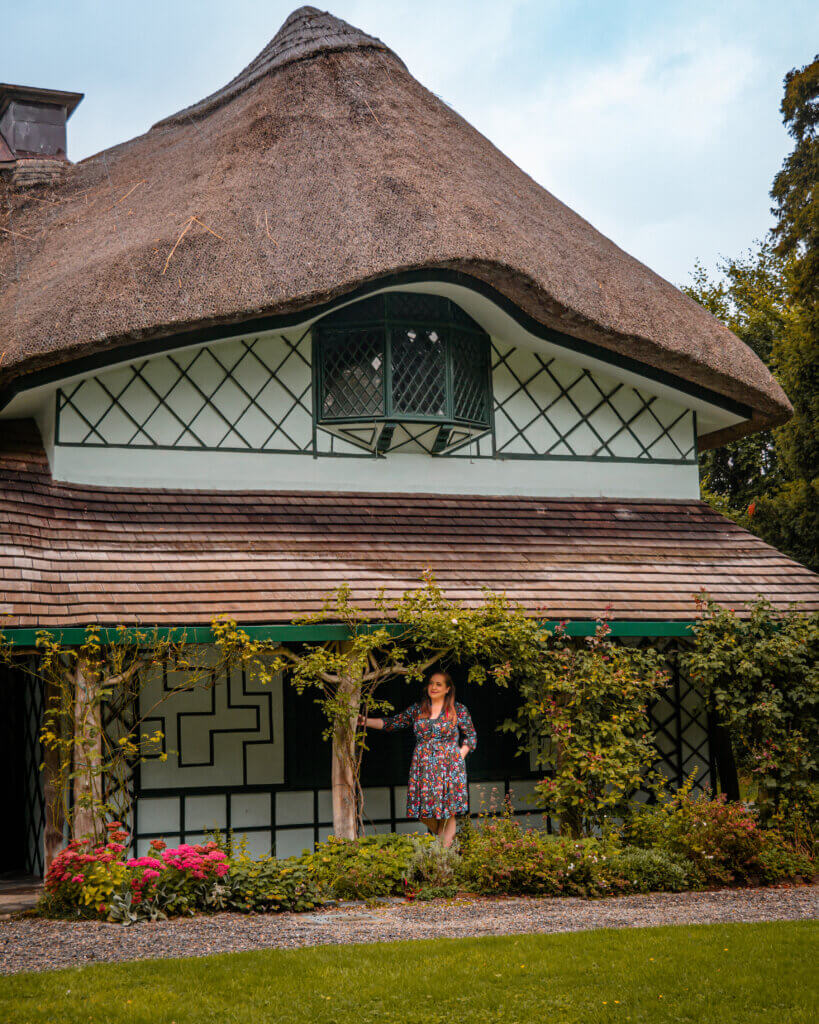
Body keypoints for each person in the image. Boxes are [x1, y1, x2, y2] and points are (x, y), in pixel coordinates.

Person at [358, 670, 477, 848]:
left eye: (438, 684)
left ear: (447, 689)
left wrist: (460, 755)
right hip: (423, 767)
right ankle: (448, 842)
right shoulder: (418, 709)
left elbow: (471, 737)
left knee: (448, 811)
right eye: (431, 683)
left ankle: (444, 854)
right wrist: (365, 721)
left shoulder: (458, 710)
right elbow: (392, 723)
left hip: (449, 767)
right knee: (423, 811)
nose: (433, 687)